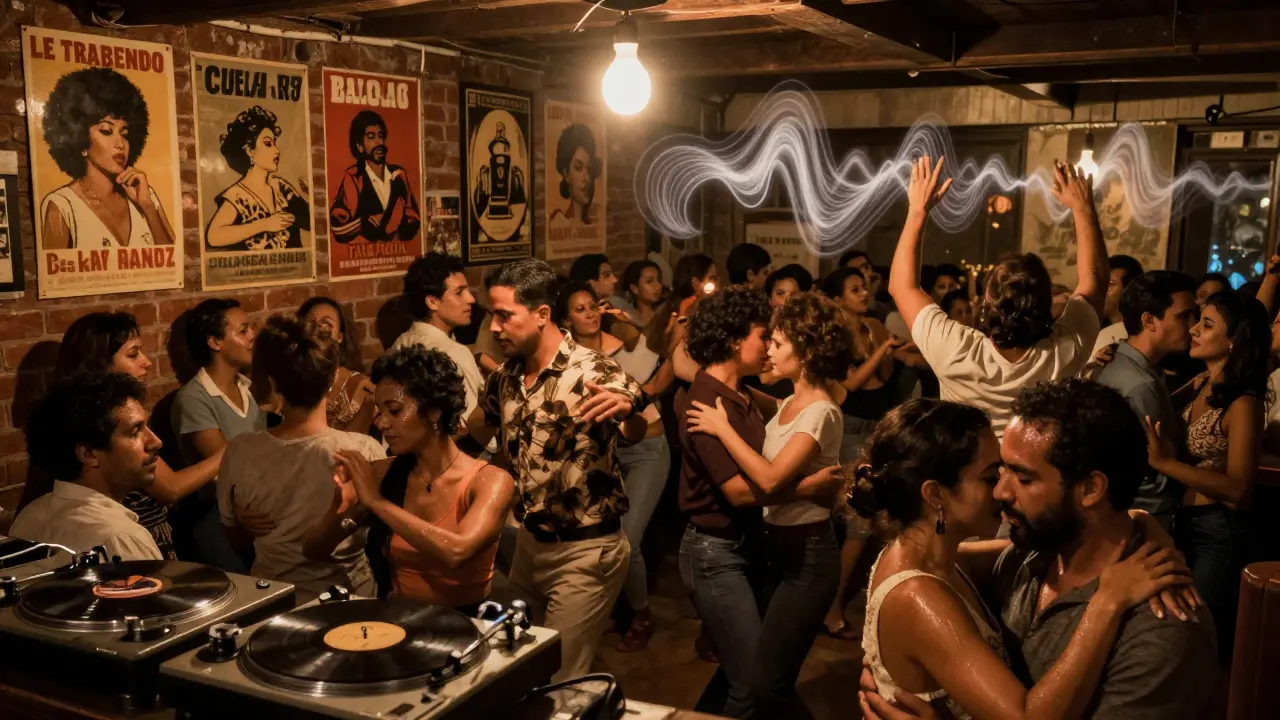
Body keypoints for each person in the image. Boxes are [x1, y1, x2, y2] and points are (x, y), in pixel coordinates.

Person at [853, 384, 1212, 720]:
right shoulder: (1026, 557)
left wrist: (1145, 525)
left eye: (1022, 478)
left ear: (1090, 488)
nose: (1001, 492)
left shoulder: (1160, 629)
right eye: (997, 472)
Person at [466, 258, 642, 682]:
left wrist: (628, 409)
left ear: (542, 314)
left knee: (563, 680)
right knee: (513, 665)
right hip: (529, 547)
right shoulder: (505, 379)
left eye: (505, 316)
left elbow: (639, 429)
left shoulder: (594, 370)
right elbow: (472, 433)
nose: (494, 327)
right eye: (493, 315)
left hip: (585, 553)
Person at [676, 285, 843, 718]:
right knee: (755, 682)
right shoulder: (708, 402)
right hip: (716, 553)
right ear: (735, 340)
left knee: (750, 674)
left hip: (755, 549)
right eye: (762, 335)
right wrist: (809, 487)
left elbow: (819, 410)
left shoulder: (744, 396)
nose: (768, 345)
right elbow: (737, 491)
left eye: (777, 339)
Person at [890, 156, 1107, 439]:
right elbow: (1097, 280)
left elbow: (902, 287)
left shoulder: (956, 350)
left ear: (986, 303)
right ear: (1049, 303)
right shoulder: (1063, 351)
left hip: (967, 474)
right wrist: (1084, 209)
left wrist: (918, 210)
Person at [316, 347, 516, 613]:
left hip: (467, 626)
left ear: (434, 413)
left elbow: (455, 552)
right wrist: (339, 508)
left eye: (395, 411)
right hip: (400, 622)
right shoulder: (384, 473)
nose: (382, 423)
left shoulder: (490, 481)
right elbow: (315, 551)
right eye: (379, 411)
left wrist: (376, 503)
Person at [20, 312, 226, 559]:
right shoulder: (117, 537)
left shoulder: (29, 517)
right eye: (133, 354)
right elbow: (170, 489)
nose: (147, 362)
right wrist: (230, 449)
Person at [217, 317, 384, 598]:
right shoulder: (364, 451)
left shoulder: (240, 452)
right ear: (330, 380)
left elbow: (237, 542)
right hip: (351, 600)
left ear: (274, 384)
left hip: (272, 601)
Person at [1145, 289, 1269, 658]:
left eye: (1207, 324)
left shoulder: (1244, 403)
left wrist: (1165, 464)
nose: (1194, 330)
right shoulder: (1201, 383)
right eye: (1197, 321)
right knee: (1173, 630)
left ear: (1235, 340)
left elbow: (1240, 489)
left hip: (1218, 532)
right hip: (1183, 523)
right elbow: (1153, 399)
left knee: (1194, 639)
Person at [12, 373, 164, 560]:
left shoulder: (28, 517)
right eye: (135, 432)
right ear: (89, 454)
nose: (156, 442)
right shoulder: (121, 538)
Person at [1092, 271, 1198, 532]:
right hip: (1146, 519)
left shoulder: (1131, 365)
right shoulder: (1141, 384)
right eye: (1184, 316)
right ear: (1149, 320)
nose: (1193, 326)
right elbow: (1161, 468)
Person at [171, 298, 265, 571]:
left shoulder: (246, 387)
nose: (252, 337)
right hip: (219, 521)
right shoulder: (195, 398)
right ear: (215, 342)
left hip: (255, 510)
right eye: (243, 330)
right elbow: (227, 467)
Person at [39, 67, 176, 250]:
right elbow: (54, 277)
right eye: (106, 131)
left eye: (125, 133)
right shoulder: (62, 207)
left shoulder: (144, 195)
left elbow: (172, 262)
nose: (120, 143)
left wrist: (148, 207)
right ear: (80, 140)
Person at [391, 253, 485, 428]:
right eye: (459, 292)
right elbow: (469, 427)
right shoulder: (454, 353)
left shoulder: (400, 343)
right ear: (432, 302)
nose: (471, 299)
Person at [204, 106, 309, 252]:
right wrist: (265, 224)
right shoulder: (236, 195)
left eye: (274, 143)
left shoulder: (282, 188)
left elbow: (313, 224)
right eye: (268, 144)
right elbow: (214, 237)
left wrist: (313, 194)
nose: (276, 150)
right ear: (250, 151)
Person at [329, 109, 421, 244]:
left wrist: (398, 233)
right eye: (371, 137)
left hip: (396, 256)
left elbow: (414, 216)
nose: (379, 142)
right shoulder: (353, 177)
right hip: (363, 260)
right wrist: (364, 222)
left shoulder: (399, 175)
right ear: (360, 146)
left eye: (380, 135)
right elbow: (338, 228)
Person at [298, 297, 375, 433]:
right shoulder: (290, 381)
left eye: (327, 324)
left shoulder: (360, 386)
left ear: (340, 336)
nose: (319, 330)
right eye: (312, 324)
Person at [550, 124, 602, 226]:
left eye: (589, 168)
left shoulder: (598, 220)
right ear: (566, 174)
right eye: (578, 167)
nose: (586, 178)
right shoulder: (559, 222)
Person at [1092, 255, 1145, 354]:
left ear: (1128, 290)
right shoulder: (1097, 331)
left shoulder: (1141, 336)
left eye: (1110, 284)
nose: (1101, 290)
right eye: (1100, 284)